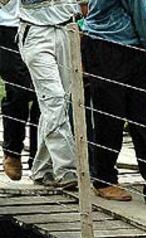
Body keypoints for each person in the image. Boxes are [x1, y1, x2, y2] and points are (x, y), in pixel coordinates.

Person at [83, 0, 146, 206]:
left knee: (143, 115)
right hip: (108, 44)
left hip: (131, 46)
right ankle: (104, 179)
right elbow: (143, 11)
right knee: (110, 115)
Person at [17, 0, 84, 188]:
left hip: (68, 29)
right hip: (36, 32)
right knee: (54, 99)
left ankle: (42, 169)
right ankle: (66, 169)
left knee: (58, 102)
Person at [0, 0, 39, 181]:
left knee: (45, 94)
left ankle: (39, 157)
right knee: (19, 91)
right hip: (7, 25)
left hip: (41, 24)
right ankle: (12, 151)